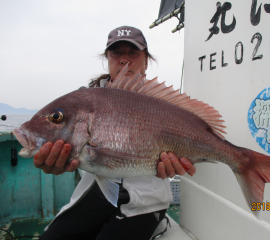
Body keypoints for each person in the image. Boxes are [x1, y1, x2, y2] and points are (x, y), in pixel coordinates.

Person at [36, 26, 196, 240]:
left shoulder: (162, 105)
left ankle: (157, 223)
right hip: (95, 193)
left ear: (146, 60)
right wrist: (56, 163)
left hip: (147, 200)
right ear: (108, 59)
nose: (124, 60)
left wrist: (176, 164)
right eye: (116, 53)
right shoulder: (86, 99)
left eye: (133, 53)